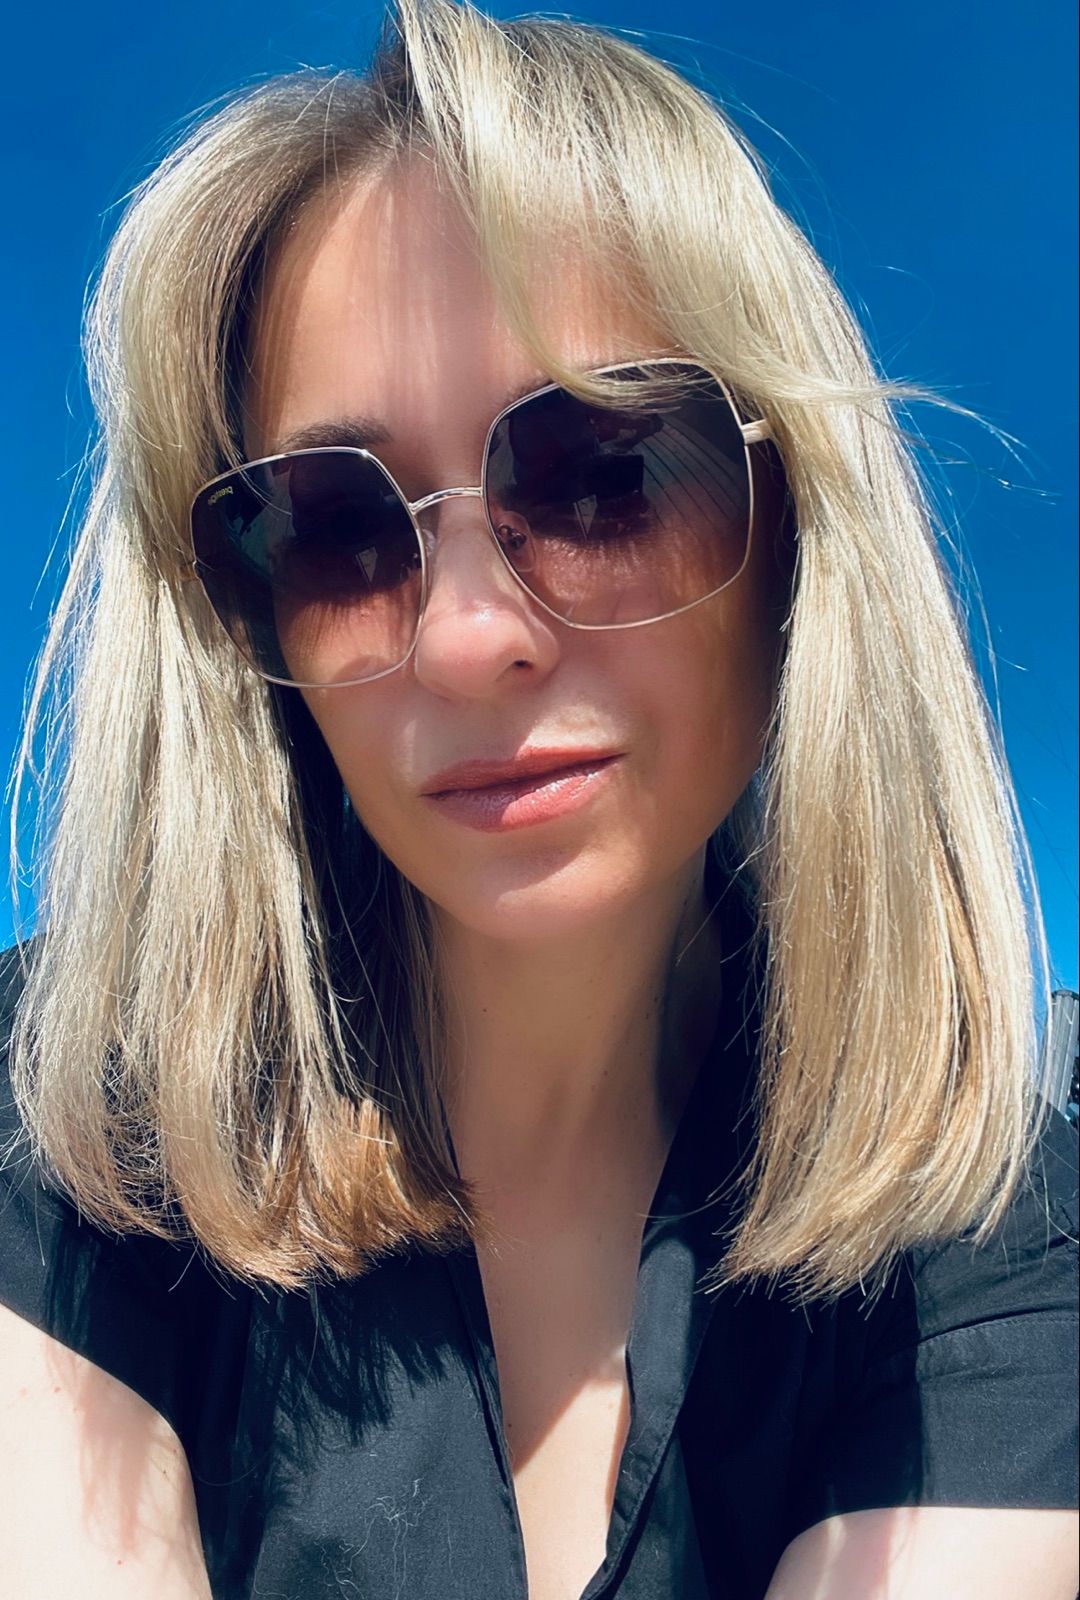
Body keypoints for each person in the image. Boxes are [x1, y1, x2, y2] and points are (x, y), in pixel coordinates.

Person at [0, 2, 1076, 1596]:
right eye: (334, 525)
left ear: (797, 535)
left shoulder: (1003, 1227)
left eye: (602, 474)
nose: (466, 636)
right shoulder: (63, 1126)